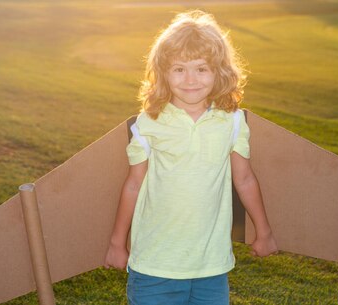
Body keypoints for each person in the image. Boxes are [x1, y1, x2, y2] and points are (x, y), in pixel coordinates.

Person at [104, 10, 278, 305]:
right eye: (179, 69)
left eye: (202, 69)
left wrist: (264, 231)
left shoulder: (232, 122)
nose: (190, 80)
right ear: (163, 72)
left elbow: (245, 179)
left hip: (210, 267)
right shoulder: (148, 123)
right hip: (153, 265)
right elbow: (133, 185)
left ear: (219, 72)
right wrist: (117, 243)